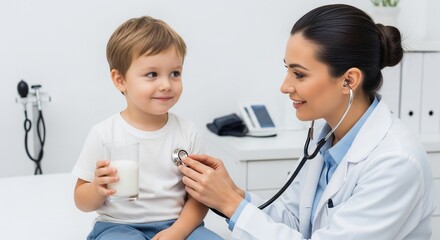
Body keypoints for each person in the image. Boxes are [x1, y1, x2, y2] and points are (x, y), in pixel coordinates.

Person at [178, 4, 436, 239]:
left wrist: (230, 204)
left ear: (349, 80)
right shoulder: (329, 141)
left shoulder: (396, 162)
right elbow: (293, 220)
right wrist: (232, 193)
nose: (285, 86)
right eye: (287, 69)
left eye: (299, 74)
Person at [72, 16, 222, 240]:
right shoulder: (104, 134)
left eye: (175, 73)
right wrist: (97, 189)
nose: (166, 84)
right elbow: (81, 200)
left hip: (178, 223)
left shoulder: (187, 132)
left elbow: (200, 198)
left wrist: (177, 232)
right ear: (120, 80)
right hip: (118, 226)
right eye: (152, 74)